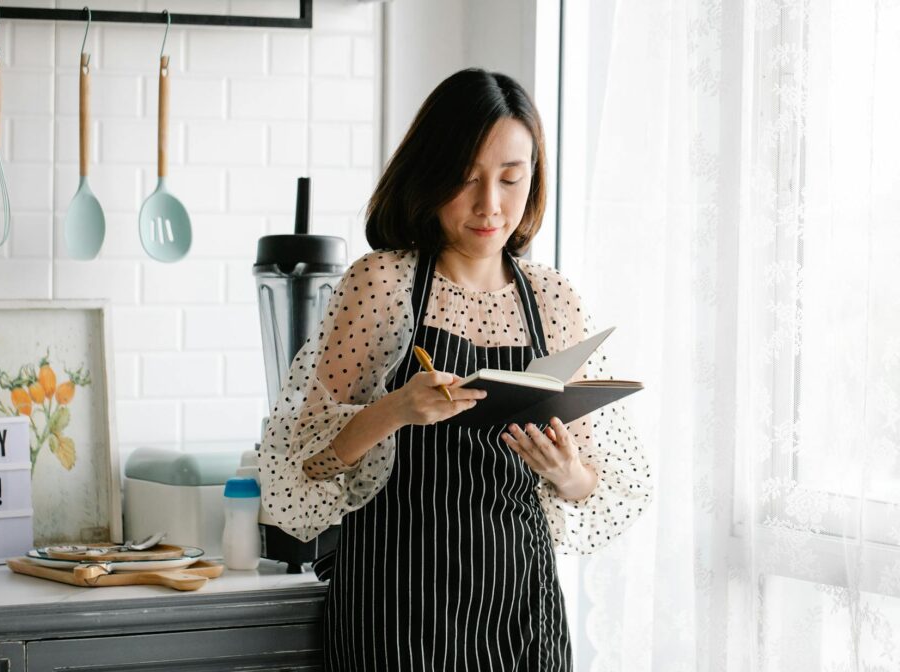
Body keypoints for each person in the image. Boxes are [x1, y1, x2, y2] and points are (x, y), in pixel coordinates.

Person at [258, 68, 652, 671]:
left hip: (522, 614)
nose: (490, 205)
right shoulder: (380, 284)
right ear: (431, 173)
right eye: (467, 179)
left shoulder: (554, 300)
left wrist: (566, 470)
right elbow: (298, 471)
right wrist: (395, 410)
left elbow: (599, 487)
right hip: (395, 615)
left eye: (511, 179)